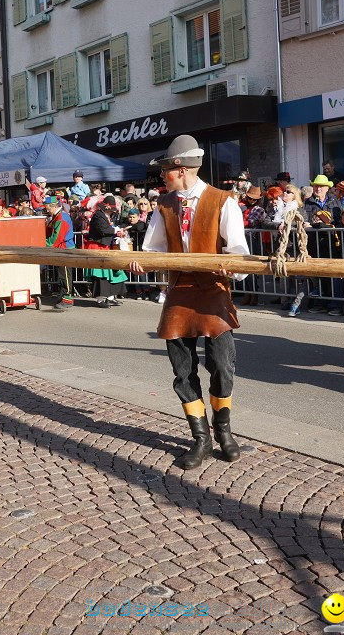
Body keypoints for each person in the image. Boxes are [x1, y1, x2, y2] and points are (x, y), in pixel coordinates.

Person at [131, 135, 249, 469]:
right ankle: (201, 439)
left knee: (223, 366)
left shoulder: (223, 200)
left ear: (180, 169)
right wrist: (144, 261)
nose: (162, 177)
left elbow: (239, 249)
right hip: (179, 294)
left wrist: (233, 265)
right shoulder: (165, 204)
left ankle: (223, 431)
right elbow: (153, 249)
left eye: (165, 171)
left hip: (213, 292)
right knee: (183, 372)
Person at [84, 195, 127, 307]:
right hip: (96, 247)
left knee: (113, 272)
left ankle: (110, 296)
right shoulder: (98, 215)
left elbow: (108, 230)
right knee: (101, 274)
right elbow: (103, 229)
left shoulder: (107, 217)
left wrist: (118, 232)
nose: (112, 212)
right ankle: (100, 299)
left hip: (105, 247)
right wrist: (115, 230)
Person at [44, 196, 75, 310]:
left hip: (65, 249)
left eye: (48, 208)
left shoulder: (61, 217)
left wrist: (43, 243)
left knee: (65, 275)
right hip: (62, 248)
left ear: (53, 206)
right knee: (62, 274)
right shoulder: (57, 216)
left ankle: (68, 299)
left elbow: (57, 237)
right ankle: (63, 295)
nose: (47, 210)